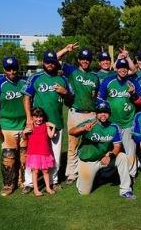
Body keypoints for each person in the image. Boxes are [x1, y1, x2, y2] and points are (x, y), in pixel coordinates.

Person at [22, 50, 73, 193]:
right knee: (33, 154)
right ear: (43, 62)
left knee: (55, 156)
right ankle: (29, 183)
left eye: (52, 62)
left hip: (56, 123)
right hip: (38, 124)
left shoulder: (62, 79)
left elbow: (70, 100)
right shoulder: (35, 77)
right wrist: (29, 119)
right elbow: (26, 98)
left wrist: (65, 92)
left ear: (56, 63)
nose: (50, 64)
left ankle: (54, 181)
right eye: (47, 62)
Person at [69, 101, 135, 198]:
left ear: (109, 114)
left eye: (105, 112)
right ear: (96, 114)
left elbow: (117, 146)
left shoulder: (114, 127)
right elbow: (71, 131)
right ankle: (88, 177)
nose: (103, 114)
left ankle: (125, 190)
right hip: (88, 160)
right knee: (84, 192)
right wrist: (83, 129)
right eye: (100, 112)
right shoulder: (89, 124)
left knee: (123, 157)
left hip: (104, 158)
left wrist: (110, 156)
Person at [57, 45, 100, 185]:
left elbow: (96, 96)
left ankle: (90, 170)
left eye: (87, 59)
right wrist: (65, 50)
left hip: (91, 114)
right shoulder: (72, 71)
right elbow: (54, 59)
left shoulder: (94, 77)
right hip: (75, 113)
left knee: (92, 144)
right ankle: (71, 173)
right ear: (79, 59)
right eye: (82, 58)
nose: (85, 61)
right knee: (73, 144)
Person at [0, 56, 27, 196]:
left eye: (14, 68)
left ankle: (23, 182)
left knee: (24, 157)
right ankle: (8, 184)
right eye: (8, 69)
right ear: (4, 69)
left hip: (24, 126)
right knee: (8, 156)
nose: (12, 71)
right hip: (7, 126)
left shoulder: (24, 82)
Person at [98, 58, 141, 178]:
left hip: (128, 122)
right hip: (112, 123)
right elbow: (100, 100)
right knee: (110, 149)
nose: (123, 70)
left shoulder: (133, 82)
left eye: (125, 68)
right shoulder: (108, 81)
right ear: (116, 69)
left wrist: (133, 94)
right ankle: (108, 171)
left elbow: (140, 102)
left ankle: (131, 174)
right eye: (120, 67)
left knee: (130, 150)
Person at [22, 107, 56, 196]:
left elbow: (51, 136)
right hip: (33, 153)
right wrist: (24, 132)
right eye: (36, 117)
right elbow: (24, 138)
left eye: (40, 117)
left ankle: (48, 188)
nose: (38, 119)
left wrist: (53, 127)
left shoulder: (46, 125)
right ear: (32, 117)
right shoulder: (30, 126)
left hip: (44, 152)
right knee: (35, 171)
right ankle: (36, 190)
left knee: (45, 171)